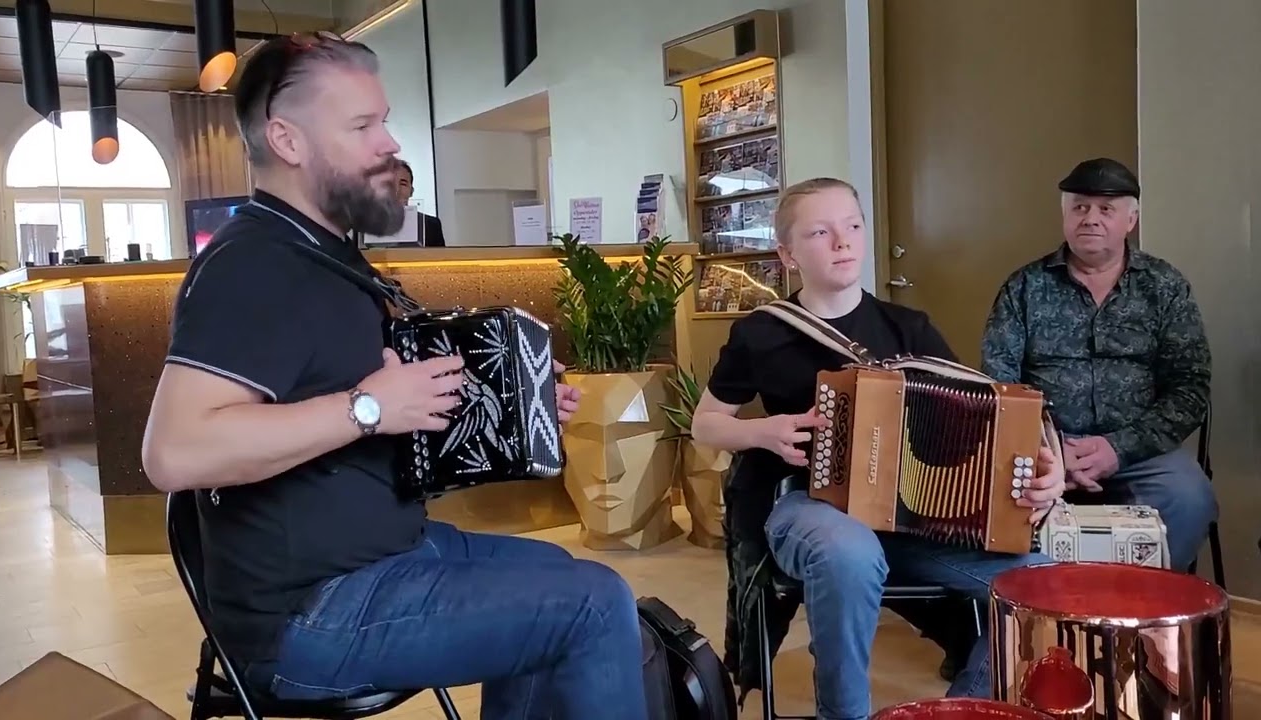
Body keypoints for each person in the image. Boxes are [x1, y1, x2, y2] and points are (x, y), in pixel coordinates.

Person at [141, 33, 645, 720]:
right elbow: (175, 453)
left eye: (383, 120)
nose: (389, 142)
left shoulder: (326, 256)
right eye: (362, 126)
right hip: (309, 611)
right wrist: (366, 409)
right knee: (592, 604)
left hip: (386, 553)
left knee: (565, 576)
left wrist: (510, 400)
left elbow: (378, 404)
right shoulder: (254, 265)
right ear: (287, 141)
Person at [691, 177, 1065, 720]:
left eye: (853, 226)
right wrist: (763, 432)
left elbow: (986, 428)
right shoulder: (763, 332)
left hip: (910, 524)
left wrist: (1040, 475)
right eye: (820, 232)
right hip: (809, 507)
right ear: (787, 254)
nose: (842, 241)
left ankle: (960, 710)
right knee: (849, 551)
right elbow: (706, 424)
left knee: (1046, 586)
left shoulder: (908, 328)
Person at [981, 157, 1217, 573]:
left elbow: (1190, 387)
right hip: (1043, 449)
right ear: (1065, 215)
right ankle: (1051, 612)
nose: (1090, 219)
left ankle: (1139, 614)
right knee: (995, 501)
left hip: (1141, 450)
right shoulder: (1024, 287)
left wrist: (1118, 449)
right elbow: (1000, 383)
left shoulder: (1165, 287)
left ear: (1131, 219)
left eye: (1106, 209)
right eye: (1080, 207)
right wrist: (1049, 452)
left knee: (1191, 498)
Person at [392, 158, 446, 247]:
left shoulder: (431, 225)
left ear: (411, 191)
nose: (396, 189)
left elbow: (441, 259)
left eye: (403, 184)